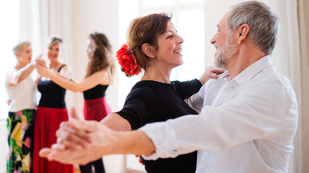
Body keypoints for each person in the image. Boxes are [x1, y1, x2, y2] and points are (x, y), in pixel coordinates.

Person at [39, 1, 299, 173]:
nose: (212, 39)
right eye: (170, 35)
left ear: (241, 34)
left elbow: (202, 123)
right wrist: (124, 139)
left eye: (218, 30)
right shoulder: (216, 84)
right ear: (149, 50)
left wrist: (145, 142)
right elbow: (138, 113)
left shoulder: (272, 91)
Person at [37, 14, 220, 173]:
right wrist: (89, 137)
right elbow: (125, 116)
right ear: (149, 50)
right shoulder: (144, 93)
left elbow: (198, 82)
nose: (180, 39)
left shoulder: (172, 87)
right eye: (170, 36)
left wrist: (212, 71)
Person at [36, 32, 115, 173]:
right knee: (94, 157)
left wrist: (49, 74)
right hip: (91, 114)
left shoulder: (102, 73)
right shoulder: (97, 71)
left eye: (90, 47)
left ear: (99, 50)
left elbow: (76, 88)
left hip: (98, 115)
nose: (87, 50)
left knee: (85, 157)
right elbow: (82, 87)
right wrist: (65, 76)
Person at [32, 37, 74, 173]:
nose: (53, 52)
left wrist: (46, 71)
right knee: (43, 149)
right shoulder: (42, 70)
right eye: (51, 48)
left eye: (57, 49)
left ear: (61, 52)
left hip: (58, 115)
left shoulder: (65, 69)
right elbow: (31, 87)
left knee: (57, 148)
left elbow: (64, 79)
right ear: (46, 50)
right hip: (42, 114)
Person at [5, 41, 37, 173]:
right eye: (27, 51)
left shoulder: (30, 76)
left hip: (30, 117)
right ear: (17, 55)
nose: (30, 54)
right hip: (18, 118)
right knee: (18, 154)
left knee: (28, 155)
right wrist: (34, 65)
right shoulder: (11, 73)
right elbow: (17, 79)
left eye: (31, 51)